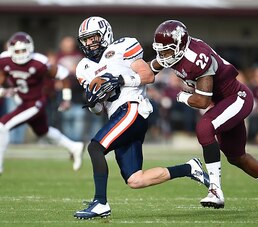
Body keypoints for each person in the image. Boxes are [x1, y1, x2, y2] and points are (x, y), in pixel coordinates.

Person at [150, 20, 258, 218]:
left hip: (237, 98)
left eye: (167, 50)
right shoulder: (173, 54)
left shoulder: (197, 57)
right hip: (223, 103)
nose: (163, 55)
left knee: (205, 127)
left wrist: (179, 95)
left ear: (180, 44)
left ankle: (215, 190)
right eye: (161, 50)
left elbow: (202, 101)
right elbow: (149, 69)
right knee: (236, 156)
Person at [73, 16, 209, 220]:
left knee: (95, 147)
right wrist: (93, 103)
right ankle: (190, 168)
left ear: (105, 35)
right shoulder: (83, 67)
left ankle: (100, 202)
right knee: (135, 180)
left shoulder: (122, 47)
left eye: (93, 38)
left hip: (132, 108)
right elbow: (99, 109)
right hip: (115, 115)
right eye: (85, 39)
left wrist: (119, 79)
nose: (89, 43)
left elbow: (148, 76)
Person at [0, 32, 85, 175]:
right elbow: (2, 80)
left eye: (23, 50)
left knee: (2, 125)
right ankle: (74, 146)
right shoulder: (4, 60)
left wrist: (66, 98)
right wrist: (3, 91)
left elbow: (63, 74)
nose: (20, 54)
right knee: (43, 131)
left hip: (36, 102)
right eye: (17, 51)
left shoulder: (39, 62)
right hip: (22, 101)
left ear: (30, 48)